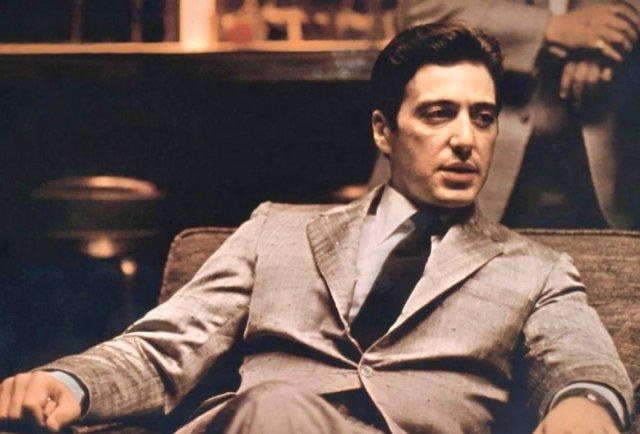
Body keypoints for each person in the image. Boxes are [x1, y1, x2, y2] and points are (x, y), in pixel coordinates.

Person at [0, 23, 633, 434]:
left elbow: (582, 364)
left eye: (484, 117)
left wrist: (585, 407)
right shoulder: (276, 231)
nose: (466, 139)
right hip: (265, 424)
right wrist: (68, 383)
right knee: (275, 407)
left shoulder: (533, 269)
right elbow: (165, 347)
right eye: (439, 114)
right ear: (384, 131)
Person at [368, 0, 640, 229]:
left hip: (607, 182)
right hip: (464, 187)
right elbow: (423, 11)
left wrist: (604, 39)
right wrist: (553, 27)